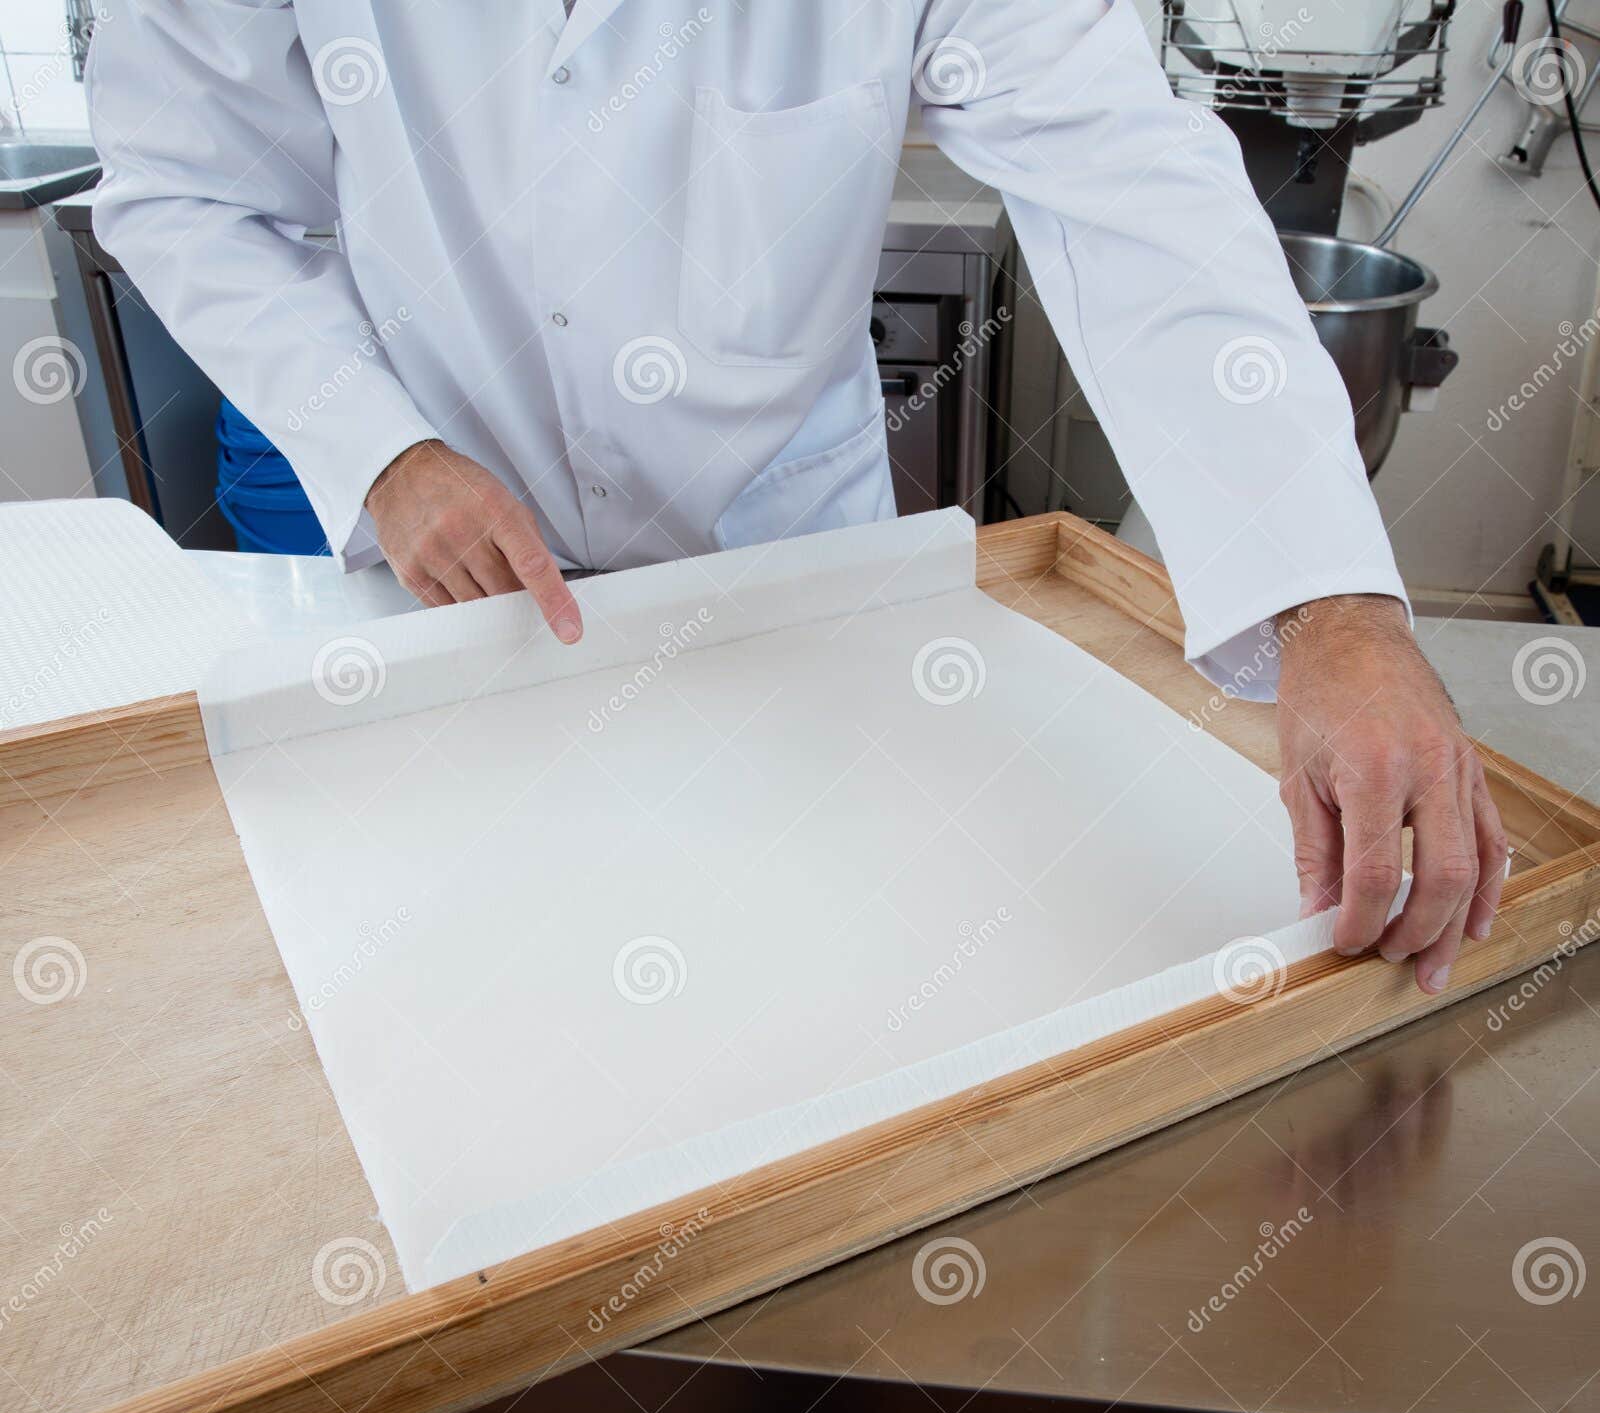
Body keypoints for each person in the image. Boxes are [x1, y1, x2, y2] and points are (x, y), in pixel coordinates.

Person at [86, 0, 1506, 993]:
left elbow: (1135, 198)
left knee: (832, 993)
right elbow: (179, 186)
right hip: (459, 582)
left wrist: (1336, 607)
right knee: (478, 998)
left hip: (797, 585)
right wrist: (383, 452)